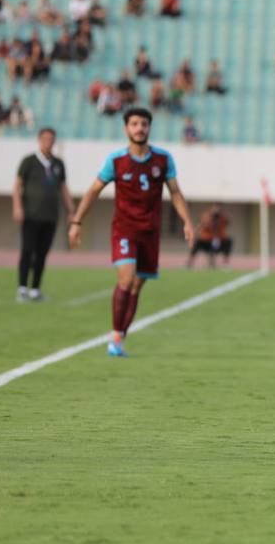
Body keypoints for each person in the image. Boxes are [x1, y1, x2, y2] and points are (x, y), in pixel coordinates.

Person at [68, 107, 195, 357]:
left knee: (137, 285)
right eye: (135, 124)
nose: (140, 128)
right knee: (126, 279)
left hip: (151, 232)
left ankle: (119, 339)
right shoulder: (115, 161)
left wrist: (187, 221)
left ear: (149, 128)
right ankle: (115, 336)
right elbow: (93, 191)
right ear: (126, 128)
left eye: (144, 124)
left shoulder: (163, 159)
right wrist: (77, 222)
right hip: (124, 229)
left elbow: (175, 192)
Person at [13, 129, 74, 300]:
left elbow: (63, 188)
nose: (48, 142)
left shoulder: (58, 163)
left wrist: (71, 210)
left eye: (51, 139)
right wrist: (17, 207)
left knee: (42, 253)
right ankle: (22, 288)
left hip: (50, 216)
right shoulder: (29, 161)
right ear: (39, 140)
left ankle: (35, 290)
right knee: (27, 251)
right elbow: (17, 185)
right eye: (45, 139)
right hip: (31, 215)